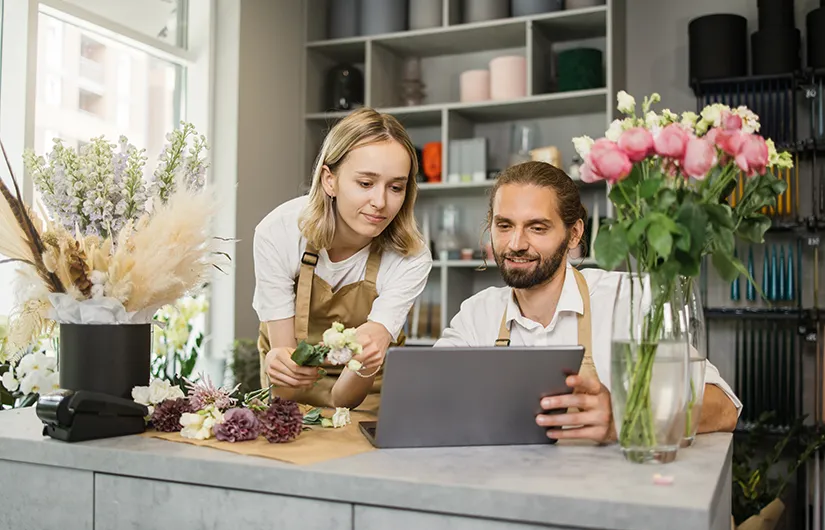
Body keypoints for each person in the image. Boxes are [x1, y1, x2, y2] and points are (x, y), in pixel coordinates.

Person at [434, 161, 741, 443]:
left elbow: (723, 407)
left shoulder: (627, 301)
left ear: (574, 234)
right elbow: (428, 397)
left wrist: (625, 419)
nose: (516, 244)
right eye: (504, 226)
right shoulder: (477, 314)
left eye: (537, 227)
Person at [253, 108, 432, 412]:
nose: (380, 202)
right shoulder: (278, 232)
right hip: (289, 400)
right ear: (329, 180)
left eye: (396, 187)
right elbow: (286, 384)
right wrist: (280, 361)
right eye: (365, 183)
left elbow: (346, 400)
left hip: (365, 402)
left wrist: (366, 355)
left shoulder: (410, 258)